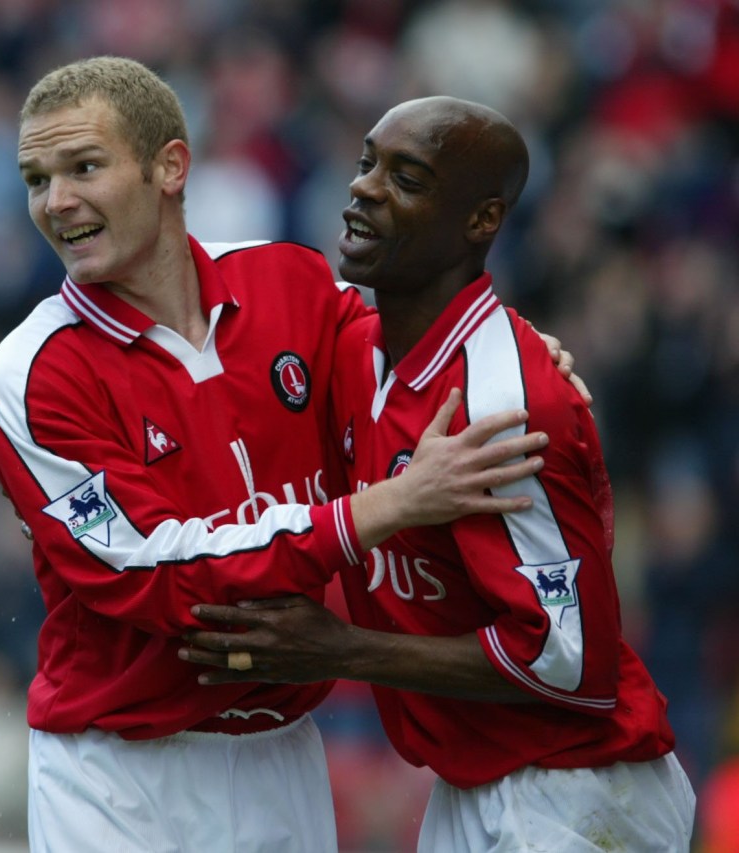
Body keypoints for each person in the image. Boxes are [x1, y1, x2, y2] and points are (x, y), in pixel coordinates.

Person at [180, 96, 697, 851]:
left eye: (407, 178)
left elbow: (571, 659)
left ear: (482, 220)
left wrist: (339, 648)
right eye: (366, 164)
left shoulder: (506, 402)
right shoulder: (356, 353)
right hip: (473, 782)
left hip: (578, 786)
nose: (364, 189)